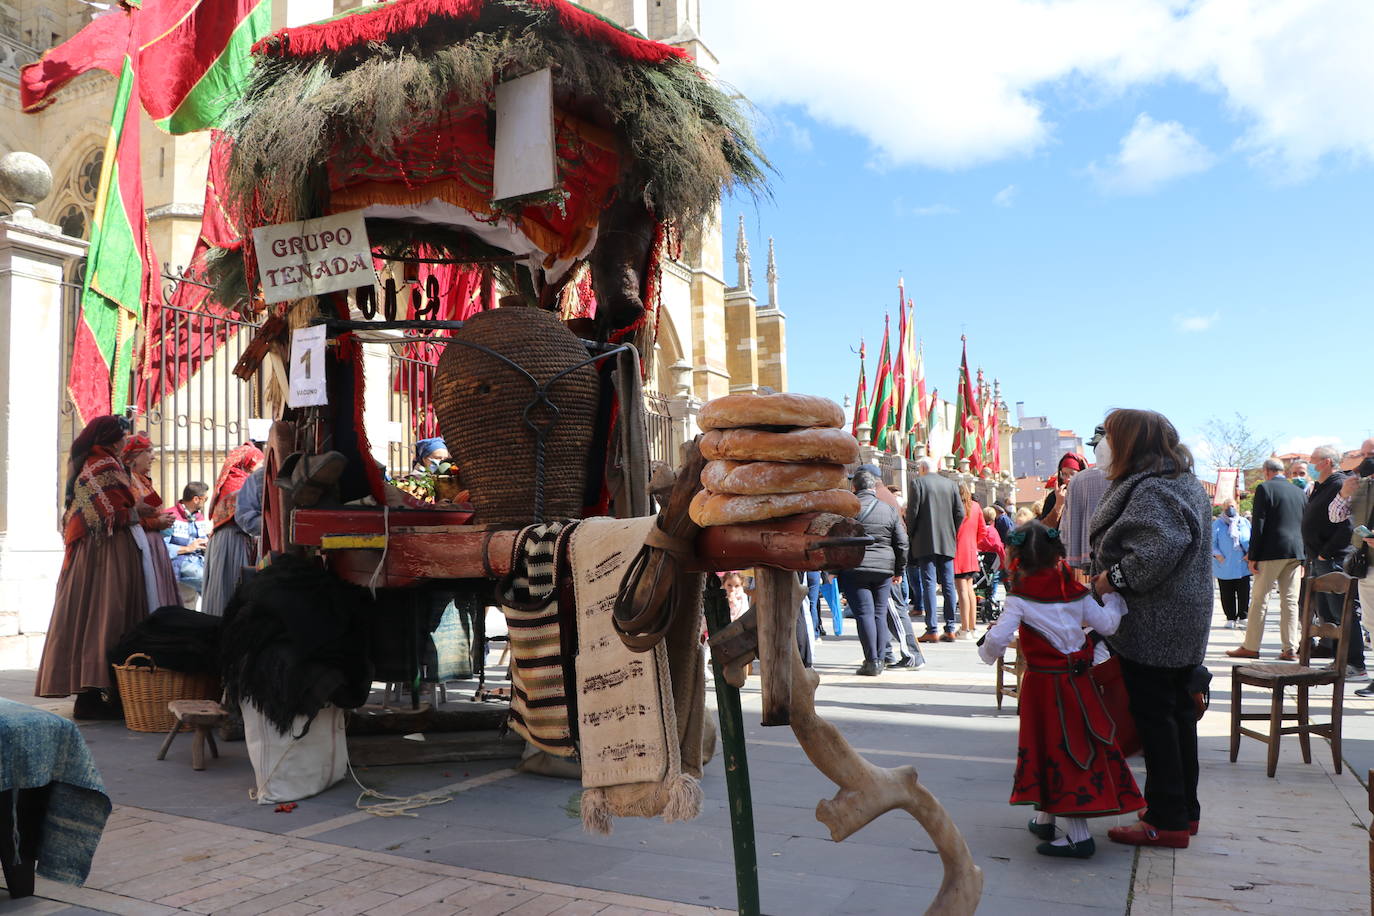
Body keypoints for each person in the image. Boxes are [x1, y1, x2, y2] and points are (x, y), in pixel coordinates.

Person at [979, 521, 1143, 858]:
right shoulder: (1075, 591)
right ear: (1057, 555)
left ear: (1017, 557)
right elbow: (1108, 625)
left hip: (1044, 688)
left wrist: (985, 651)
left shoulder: (1019, 599)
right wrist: (1112, 598)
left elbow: (996, 640)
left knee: (1061, 751)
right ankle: (1045, 816)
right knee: (1073, 746)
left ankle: (1078, 836)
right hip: (1078, 684)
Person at [1088, 408, 1211, 848]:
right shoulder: (1176, 479)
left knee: (1157, 718)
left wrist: (1109, 579)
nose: (1103, 444)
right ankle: (1181, 810)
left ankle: (1165, 819)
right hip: (1177, 618)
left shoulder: (1153, 488)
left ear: (1132, 443)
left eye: (1109, 436)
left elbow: (1158, 550)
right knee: (1177, 715)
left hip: (1157, 620)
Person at [36, 415, 151, 718]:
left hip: (90, 552)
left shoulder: (86, 464)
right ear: (114, 439)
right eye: (124, 437)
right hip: (107, 552)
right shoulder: (106, 466)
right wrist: (138, 511)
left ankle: (90, 694)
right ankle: (103, 694)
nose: (126, 442)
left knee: (86, 617)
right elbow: (111, 513)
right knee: (109, 615)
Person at [1228, 457, 1306, 661]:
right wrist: (1305, 558)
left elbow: (1259, 524)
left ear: (1266, 471)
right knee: (1290, 601)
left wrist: (1253, 555)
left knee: (1260, 600)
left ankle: (1251, 646)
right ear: (1283, 471)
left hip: (1272, 551)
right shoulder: (1299, 492)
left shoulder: (1265, 488)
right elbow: (1305, 525)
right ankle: (1290, 648)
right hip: (1296, 552)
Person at [838, 468, 908, 676]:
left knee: (864, 614)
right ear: (873, 488)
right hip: (884, 569)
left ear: (854, 487)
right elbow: (902, 542)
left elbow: (838, 541)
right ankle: (880, 659)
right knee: (879, 612)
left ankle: (872, 660)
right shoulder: (888, 509)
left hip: (855, 567)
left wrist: (834, 569)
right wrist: (899, 570)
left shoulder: (849, 510)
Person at [1303, 445, 1364, 677]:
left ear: (1327, 462)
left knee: (1344, 612)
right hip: (1319, 558)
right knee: (1330, 615)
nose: (1310, 464)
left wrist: (1326, 553)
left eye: (1313, 459)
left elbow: (1346, 526)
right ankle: (1340, 661)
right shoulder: (1323, 486)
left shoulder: (1339, 484)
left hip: (1333, 558)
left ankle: (1355, 663)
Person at [201, 443, 265, 617]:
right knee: (229, 587)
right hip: (232, 542)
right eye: (260, 463)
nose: (262, 469)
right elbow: (246, 519)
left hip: (233, 539)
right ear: (249, 463)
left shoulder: (236, 481)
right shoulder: (239, 483)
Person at [906, 457, 963, 643]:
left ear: (922, 468)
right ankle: (950, 627)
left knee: (929, 583)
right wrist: (951, 530)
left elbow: (912, 513)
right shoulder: (950, 484)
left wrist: (911, 533)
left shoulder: (917, 483)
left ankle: (932, 629)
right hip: (947, 540)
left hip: (925, 541)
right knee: (948, 584)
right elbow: (960, 513)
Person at [1331, 457, 1374, 697]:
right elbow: (1335, 516)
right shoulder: (1361, 486)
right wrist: (1343, 493)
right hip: (1366, 565)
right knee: (1371, 624)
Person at [122, 434, 180, 611]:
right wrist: (157, 522)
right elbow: (128, 515)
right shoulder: (128, 481)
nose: (153, 456)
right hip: (142, 542)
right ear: (134, 456)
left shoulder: (143, 481)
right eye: (148, 451)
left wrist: (162, 520)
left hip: (154, 542)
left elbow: (152, 509)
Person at [1062, 426, 1112, 571]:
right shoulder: (1122, 475)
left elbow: (1066, 524)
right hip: (1118, 553)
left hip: (1087, 555)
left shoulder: (1077, 480)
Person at [164, 481, 210, 605]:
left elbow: (203, 538)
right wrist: (188, 548)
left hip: (200, 561)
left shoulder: (200, 517)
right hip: (180, 563)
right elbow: (162, 548)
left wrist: (207, 543)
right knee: (208, 581)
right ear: (196, 499)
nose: (205, 502)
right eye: (205, 499)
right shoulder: (169, 516)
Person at [1211, 498, 1251, 629]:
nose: (1230, 509)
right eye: (1227, 507)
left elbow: (1252, 538)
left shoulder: (1244, 522)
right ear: (1223, 508)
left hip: (1242, 563)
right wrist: (1218, 555)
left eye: (1232, 506)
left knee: (1244, 591)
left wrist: (1250, 553)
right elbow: (1211, 542)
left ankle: (1243, 616)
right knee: (1226, 591)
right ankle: (1230, 617)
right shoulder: (1218, 524)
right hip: (1225, 564)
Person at [953, 486, 981, 638]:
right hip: (971, 550)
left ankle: (965, 628)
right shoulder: (976, 507)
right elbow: (982, 529)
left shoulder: (955, 507)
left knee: (962, 590)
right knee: (970, 589)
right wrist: (975, 543)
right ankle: (973, 626)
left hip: (958, 550)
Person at [1038, 452, 1087, 527]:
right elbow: (1044, 529)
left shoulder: (1088, 494)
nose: (1067, 479)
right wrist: (1058, 504)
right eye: (1064, 474)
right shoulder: (1053, 497)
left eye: (1072, 474)